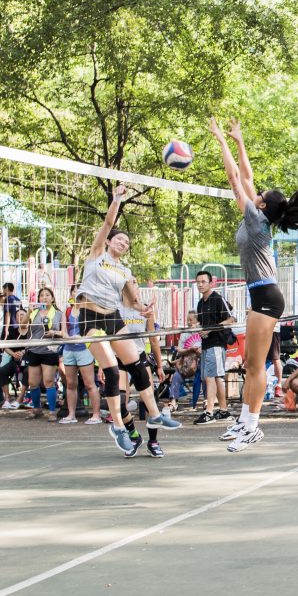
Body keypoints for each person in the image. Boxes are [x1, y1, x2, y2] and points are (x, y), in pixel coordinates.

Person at [210, 116, 298, 451]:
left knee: (256, 366)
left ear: (262, 205)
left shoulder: (256, 220)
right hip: (260, 296)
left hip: (268, 297)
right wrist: (239, 139)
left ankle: (253, 426)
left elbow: (234, 177)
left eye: (259, 193)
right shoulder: (260, 216)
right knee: (250, 365)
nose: (254, 191)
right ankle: (244, 421)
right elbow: (246, 175)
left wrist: (221, 141)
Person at [75, 183, 181, 453]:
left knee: (136, 365)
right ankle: (119, 428)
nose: (123, 243)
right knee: (111, 370)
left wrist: (144, 308)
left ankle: (155, 415)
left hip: (113, 317)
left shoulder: (124, 270)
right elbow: (110, 221)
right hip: (91, 317)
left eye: (127, 243)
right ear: (110, 241)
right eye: (120, 239)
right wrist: (117, 200)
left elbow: (130, 300)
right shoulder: (97, 254)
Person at [116, 304, 168, 458]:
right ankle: (133, 436)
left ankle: (153, 442)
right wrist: (103, 367)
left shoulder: (145, 309)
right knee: (119, 403)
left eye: (135, 284)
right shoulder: (115, 308)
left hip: (139, 357)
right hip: (119, 359)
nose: (134, 288)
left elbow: (153, 339)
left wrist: (159, 365)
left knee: (150, 400)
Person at [193, 270, 235, 426]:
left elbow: (231, 319)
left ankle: (209, 412)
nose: (200, 284)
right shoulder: (199, 303)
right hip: (205, 343)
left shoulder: (218, 299)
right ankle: (223, 411)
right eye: (198, 282)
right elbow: (203, 324)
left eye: (203, 281)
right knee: (215, 377)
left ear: (211, 283)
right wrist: (200, 328)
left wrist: (211, 328)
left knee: (210, 376)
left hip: (217, 343)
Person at [60, 284, 103, 424]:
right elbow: (63, 332)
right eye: (74, 291)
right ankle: (71, 414)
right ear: (71, 294)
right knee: (71, 383)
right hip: (69, 349)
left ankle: (96, 414)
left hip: (84, 350)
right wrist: (69, 338)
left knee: (89, 383)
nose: (76, 294)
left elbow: (94, 331)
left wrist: (82, 338)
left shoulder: (89, 312)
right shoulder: (66, 312)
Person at [22, 286, 65, 421]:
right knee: (32, 382)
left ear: (52, 298)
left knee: (48, 381)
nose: (44, 297)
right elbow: (22, 328)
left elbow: (64, 333)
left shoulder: (59, 314)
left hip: (49, 351)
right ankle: (36, 409)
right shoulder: (34, 313)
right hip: (34, 350)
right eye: (42, 295)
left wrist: (54, 333)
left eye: (47, 295)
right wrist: (28, 313)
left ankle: (52, 411)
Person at [170, 311, 202, 408]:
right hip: (186, 363)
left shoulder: (202, 332)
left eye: (191, 320)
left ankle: (206, 400)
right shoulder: (184, 334)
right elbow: (180, 350)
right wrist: (189, 350)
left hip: (199, 362)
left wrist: (198, 351)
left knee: (206, 376)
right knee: (176, 376)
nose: (188, 322)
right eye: (187, 320)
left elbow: (204, 350)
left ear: (197, 321)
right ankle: (173, 400)